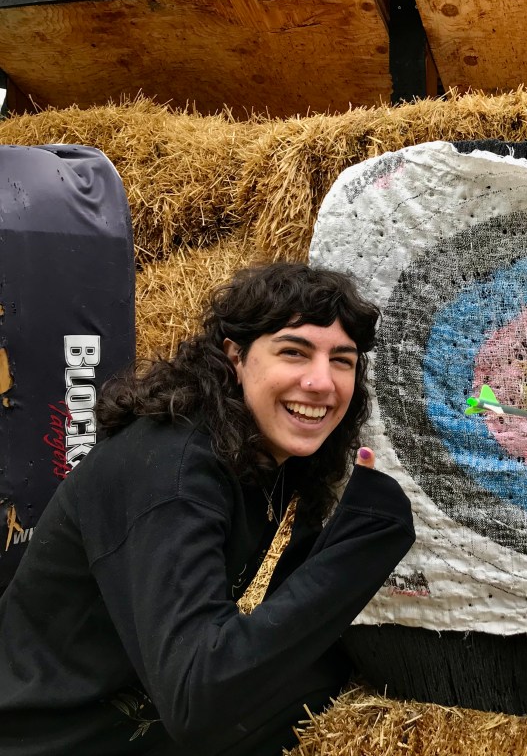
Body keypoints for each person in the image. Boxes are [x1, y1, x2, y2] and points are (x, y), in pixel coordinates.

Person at [0, 262, 415, 755]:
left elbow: (284, 634)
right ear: (234, 356)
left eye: (342, 360)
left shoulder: (265, 462)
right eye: (293, 352)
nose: (321, 382)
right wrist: (361, 547)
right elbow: (202, 703)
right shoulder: (169, 472)